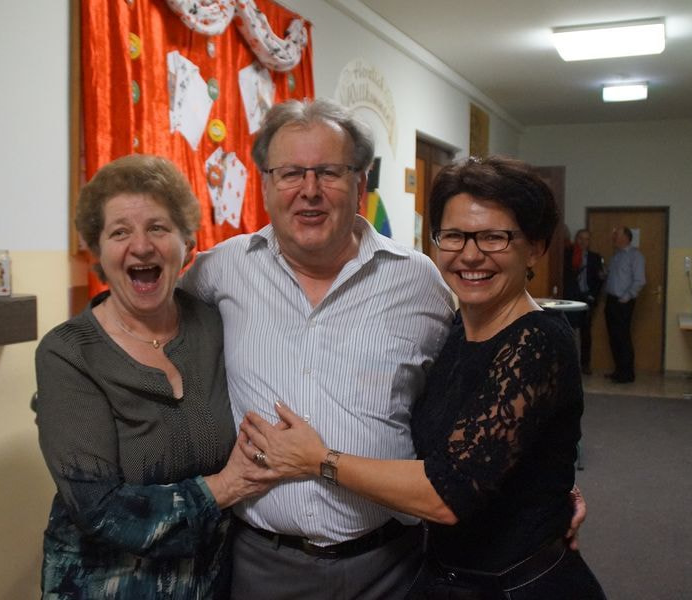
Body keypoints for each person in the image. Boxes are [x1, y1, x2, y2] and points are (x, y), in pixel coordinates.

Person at [240, 156, 605, 599]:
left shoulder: (537, 340)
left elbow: (446, 494)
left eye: (494, 237)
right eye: (454, 235)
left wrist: (318, 459)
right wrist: (552, 483)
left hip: (518, 587)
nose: (470, 254)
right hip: (445, 575)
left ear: (534, 248)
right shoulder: (455, 329)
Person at [179, 98, 456, 598]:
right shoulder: (221, 270)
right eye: (290, 173)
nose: (309, 191)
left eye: (328, 172)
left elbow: (470, 390)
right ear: (265, 184)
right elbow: (147, 327)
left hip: (391, 567)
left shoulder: (418, 282)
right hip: (263, 565)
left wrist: (537, 476)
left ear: (360, 183)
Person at [33, 154, 270, 599]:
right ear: (98, 251)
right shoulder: (68, 353)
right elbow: (99, 509)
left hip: (211, 584)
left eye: (158, 228)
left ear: (187, 243)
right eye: (120, 232)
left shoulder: (213, 326)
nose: (141, 246)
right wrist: (225, 487)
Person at [604, 226, 646, 383]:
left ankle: (627, 374)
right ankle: (618, 371)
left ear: (626, 238)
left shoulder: (636, 256)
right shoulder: (616, 255)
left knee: (623, 337)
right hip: (611, 301)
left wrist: (627, 297)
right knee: (613, 337)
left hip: (623, 302)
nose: (614, 237)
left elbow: (640, 280)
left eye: (617, 235)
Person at [563, 228, 605, 374]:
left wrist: (593, 295)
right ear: (576, 239)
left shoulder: (595, 257)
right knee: (568, 330)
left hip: (587, 298)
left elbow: (599, 280)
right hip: (570, 298)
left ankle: (585, 364)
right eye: (581, 238)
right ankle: (569, 364)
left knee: (586, 331)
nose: (583, 242)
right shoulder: (566, 254)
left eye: (586, 239)